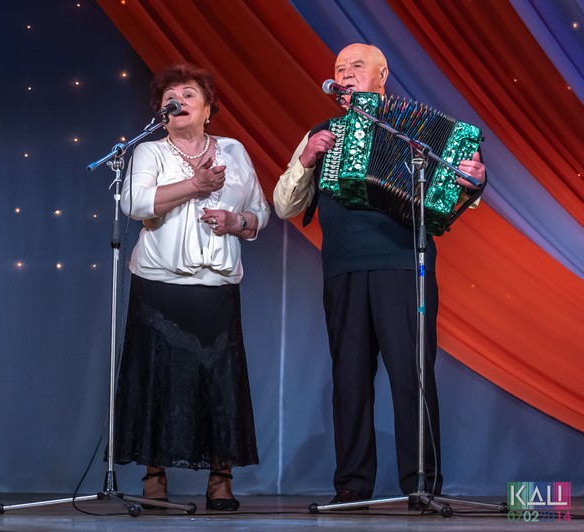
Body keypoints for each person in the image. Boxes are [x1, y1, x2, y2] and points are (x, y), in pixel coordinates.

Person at [273, 43, 486, 505]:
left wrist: (474, 182)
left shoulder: (418, 133)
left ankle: (421, 483)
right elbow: (285, 205)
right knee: (349, 377)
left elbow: (453, 198)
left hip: (403, 266)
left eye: (356, 66)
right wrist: (306, 159)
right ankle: (352, 484)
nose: (346, 75)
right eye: (339, 69)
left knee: (413, 375)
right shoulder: (322, 133)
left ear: (382, 75)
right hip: (343, 269)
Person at [113, 63, 270, 511]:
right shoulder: (149, 152)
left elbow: (259, 212)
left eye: (188, 94)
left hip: (216, 287)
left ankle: (221, 480)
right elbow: (135, 203)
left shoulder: (234, 151)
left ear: (208, 110)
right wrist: (194, 185)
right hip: (160, 285)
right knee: (158, 379)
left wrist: (237, 220)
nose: (177, 101)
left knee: (218, 382)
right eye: (170, 96)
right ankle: (154, 476)